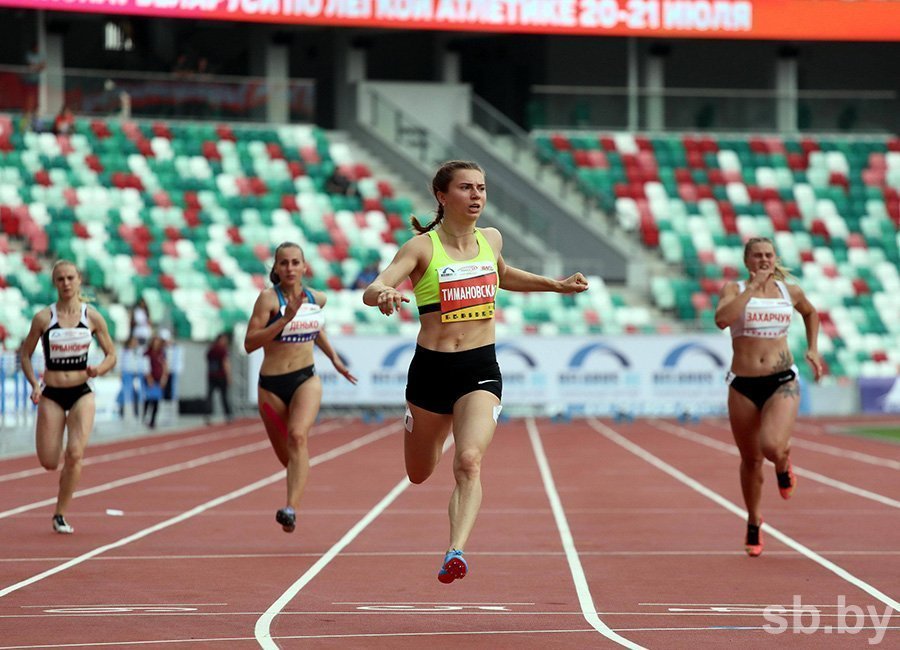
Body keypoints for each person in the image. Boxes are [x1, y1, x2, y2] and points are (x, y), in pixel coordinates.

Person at [362, 160, 589, 583]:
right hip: (431, 371)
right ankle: (423, 426)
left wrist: (555, 284)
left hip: (479, 368)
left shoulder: (492, 239)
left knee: (468, 461)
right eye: (466, 188)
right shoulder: (421, 248)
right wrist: (386, 293)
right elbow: (373, 288)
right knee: (419, 473)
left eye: (481, 188)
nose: (476, 196)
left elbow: (503, 276)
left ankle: (455, 551)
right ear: (442, 196)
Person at [714, 236, 823, 557]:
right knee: (750, 459)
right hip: (742, 384)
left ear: (775, 259)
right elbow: (722, 319)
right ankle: (753, 520)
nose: (764, 260)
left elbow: (811, 313)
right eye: (758, 256)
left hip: (781, 379)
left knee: (773, 446)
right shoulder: (734, 290)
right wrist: (752, 288)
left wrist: (813, 348)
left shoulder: (790, 291)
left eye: (769, 256)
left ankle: (784, 462)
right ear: (747, 261)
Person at [243, 242, 358, 533]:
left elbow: (316, 328)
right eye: (284, 263)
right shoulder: (268, 300)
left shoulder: (316, 298)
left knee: (298, 437)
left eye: (295, 262)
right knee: (288, 457)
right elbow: (249, 343)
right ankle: (297, 483)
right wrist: (284, 319)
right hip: (270, 386)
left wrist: (334, 360)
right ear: (276, 267)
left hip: (306, 379)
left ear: (304, 266)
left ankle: (290, 508)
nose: (290, 268)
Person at [19, 260, 117, 534]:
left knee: (75, 454)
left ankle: (60, 513)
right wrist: (33, 383)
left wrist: (98, 369)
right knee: (50, 461)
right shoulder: (43, 318)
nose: (66, 283)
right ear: (54, 283)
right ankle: (60, 482)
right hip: (51, 394)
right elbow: (25, 354)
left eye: (70, 278)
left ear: (79, 280)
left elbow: (112, 353)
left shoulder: (92, 316)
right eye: (60, 279)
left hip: (81, 393)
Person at [206, 331, 233, 423]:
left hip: (211, 375)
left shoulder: (211, 349)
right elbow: (225, 363)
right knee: (224, 396)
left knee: (210, 396)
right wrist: (229, 376)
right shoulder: (222, 350)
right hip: (221, 376)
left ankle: (208, 415)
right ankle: (228, 415)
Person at [142, 334, 168, 429]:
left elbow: (165, 366)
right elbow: (145, 366)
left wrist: (164, 377)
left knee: (156, 401)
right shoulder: (147, 353)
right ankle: (144, 417)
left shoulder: (161, 353)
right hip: (150, 379)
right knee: (148, 400)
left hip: (158, 379)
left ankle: (153, 420)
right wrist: (149, 378)